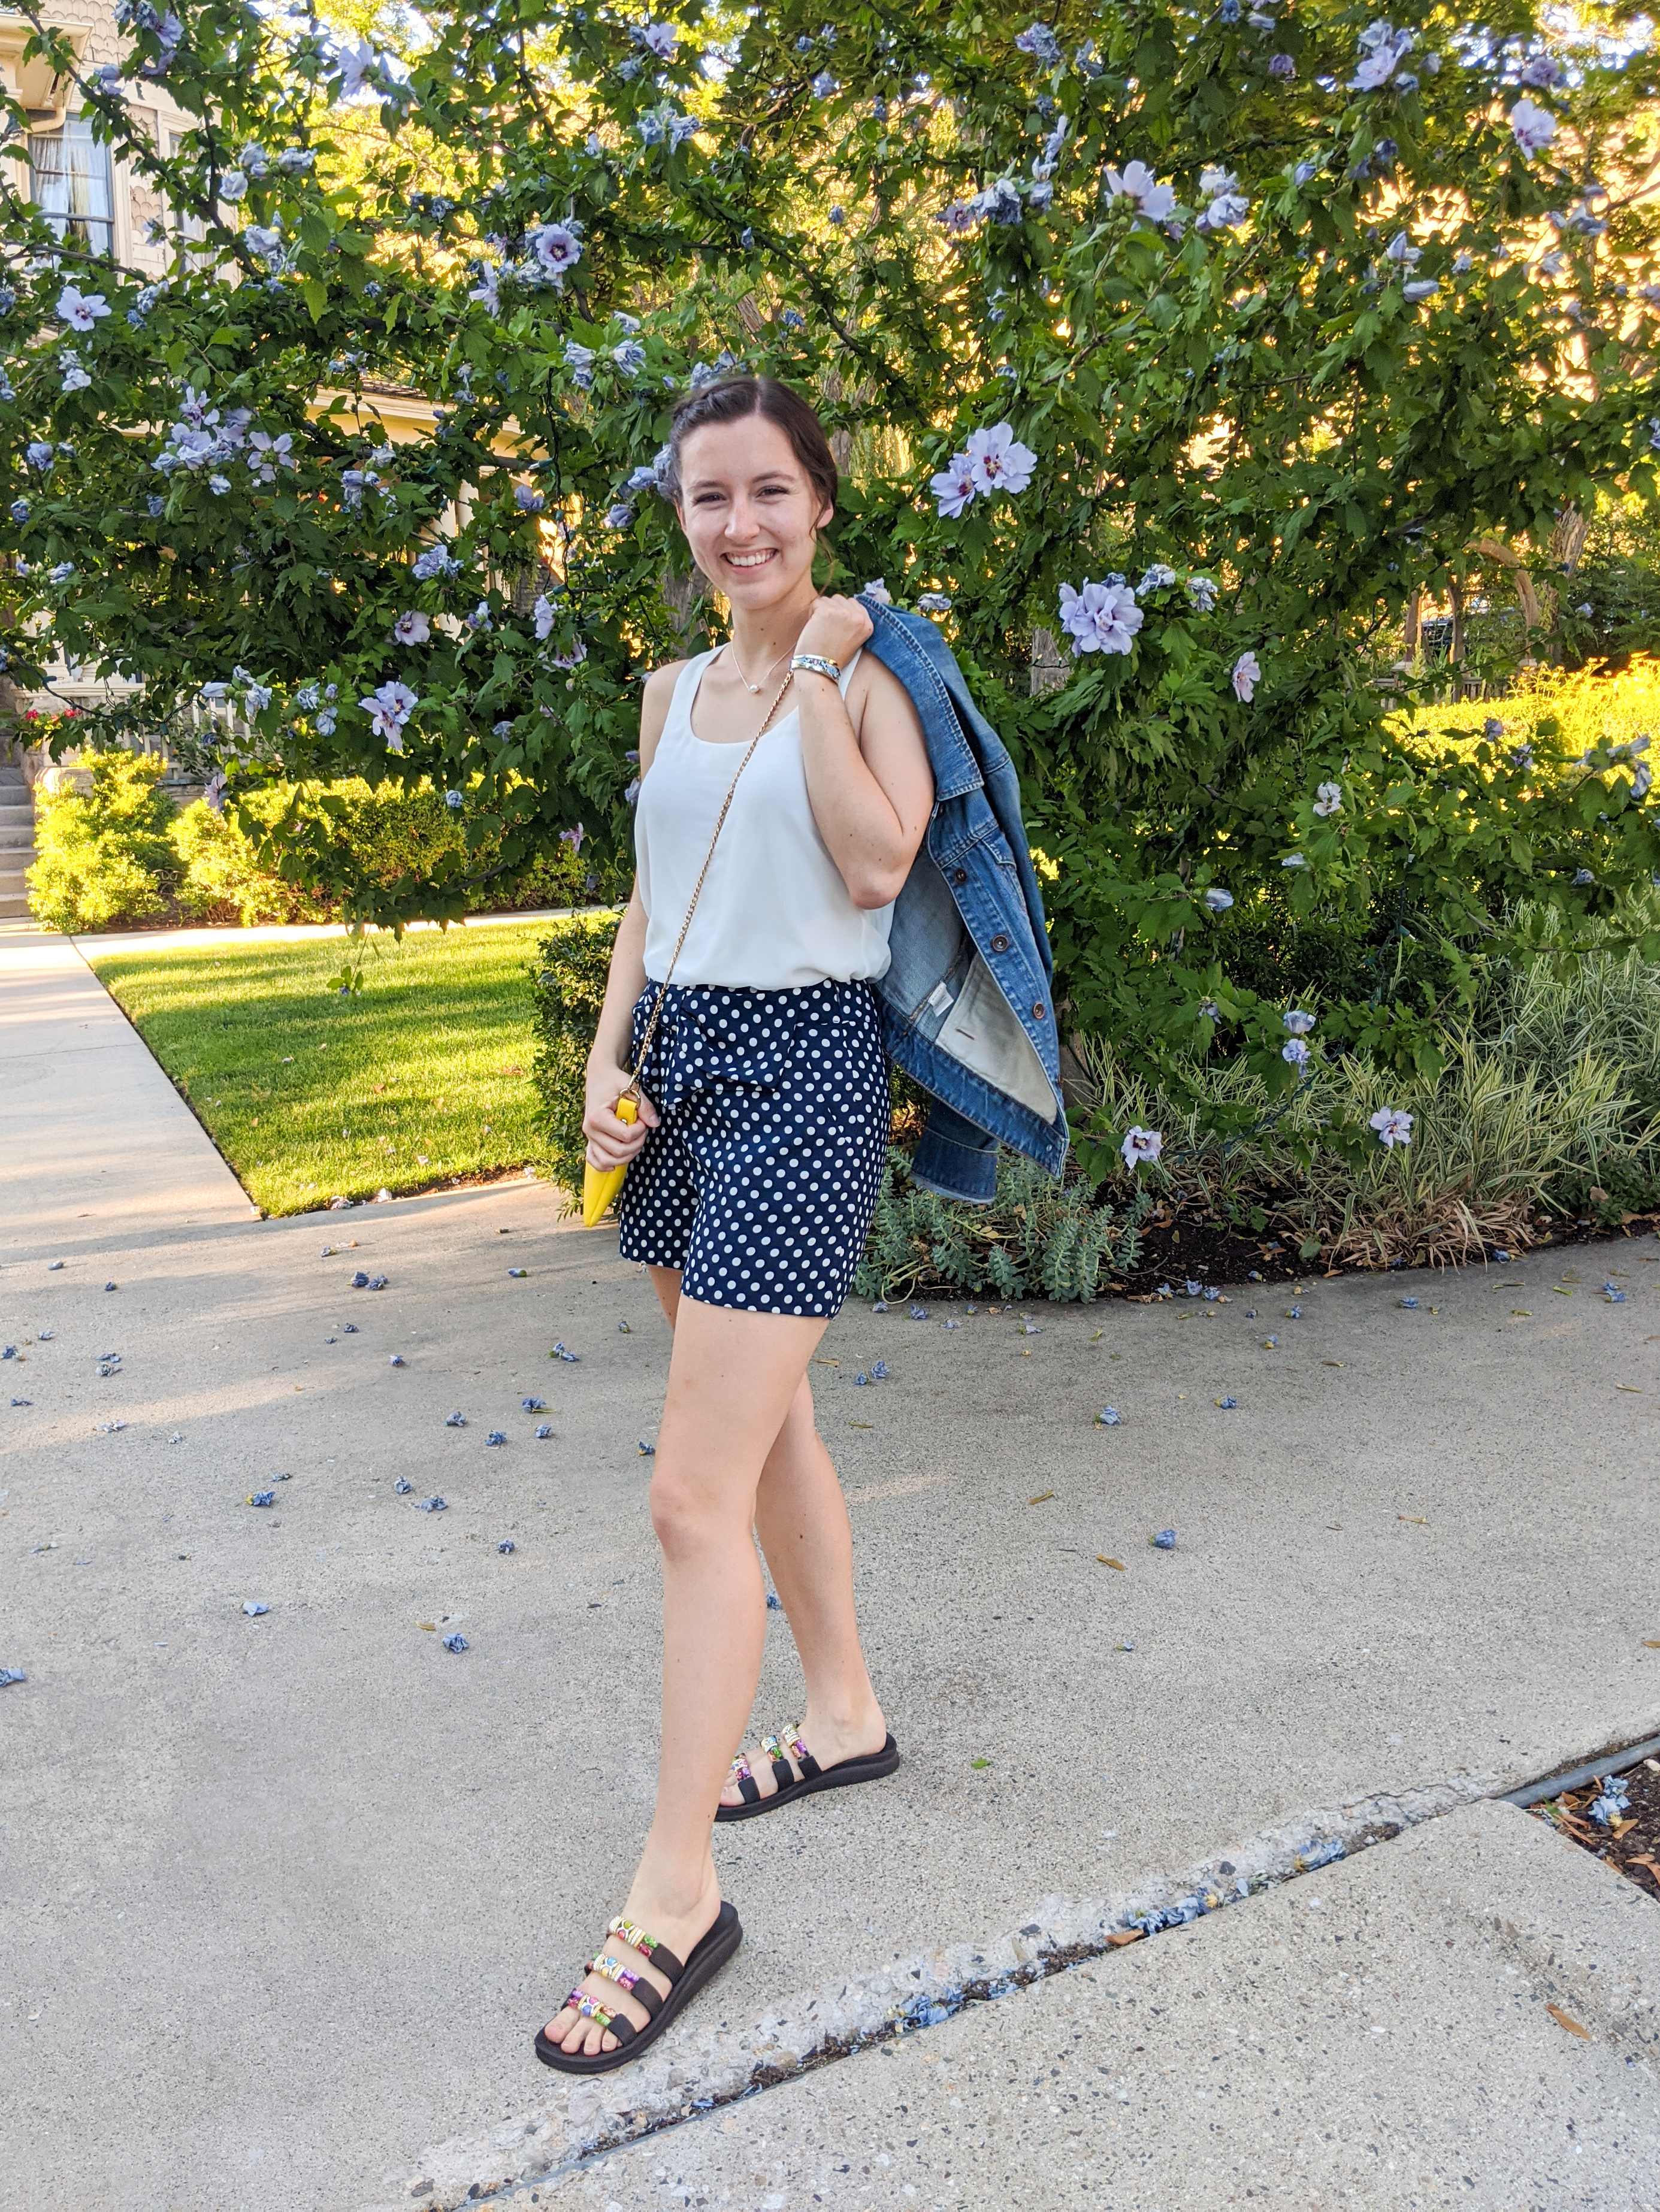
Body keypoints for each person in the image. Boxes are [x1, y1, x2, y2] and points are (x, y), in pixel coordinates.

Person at [535, 376, 935, 2072]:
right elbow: (654, 893)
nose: (740, 524)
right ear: (683, 519)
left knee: (688, 1498)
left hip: (802, 1078)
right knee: (768, 1433)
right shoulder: (666, 692)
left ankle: (676, 1891)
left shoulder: (879, 681)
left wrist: (823, 674)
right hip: (682, 1066)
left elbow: (874, 867)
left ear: (819, 500)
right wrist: (605, 1056)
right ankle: (842, 1716)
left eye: (769, 490)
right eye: (710, 497)